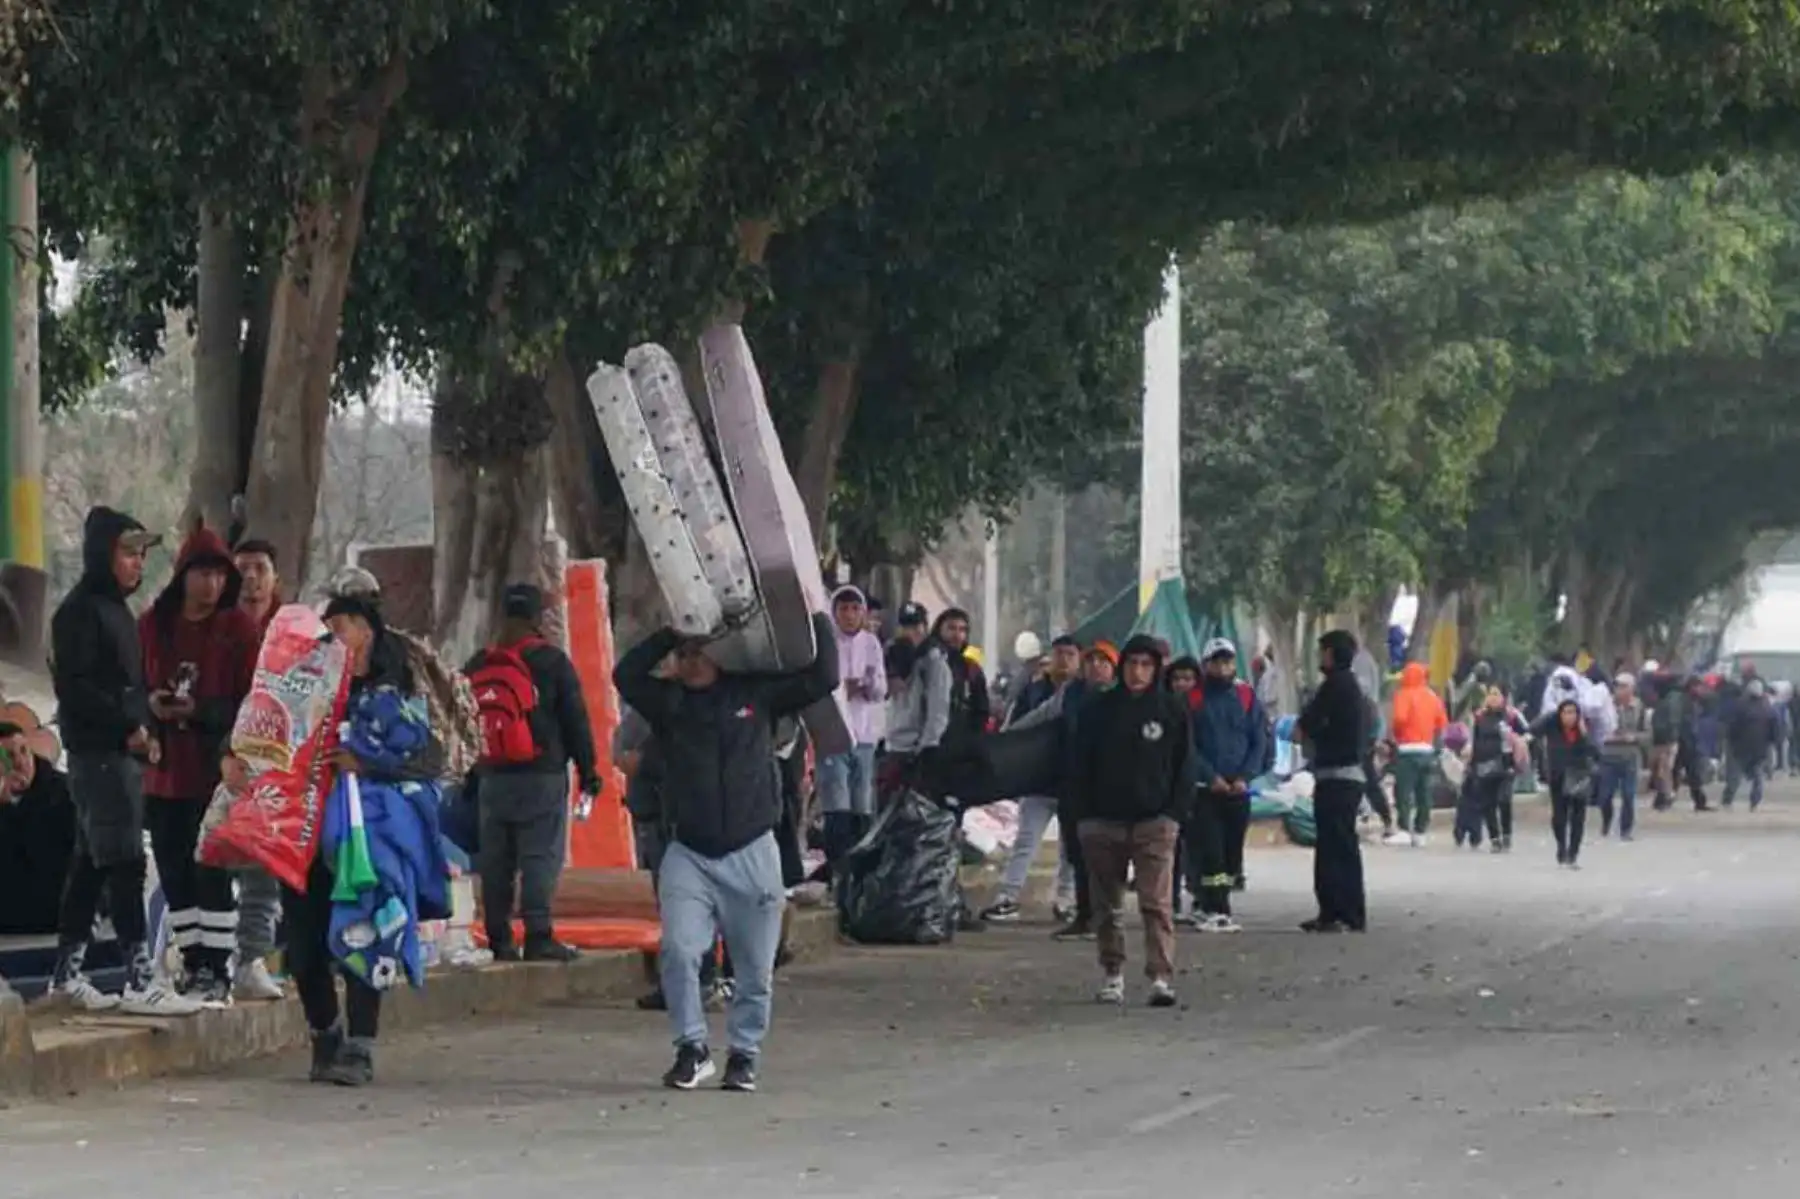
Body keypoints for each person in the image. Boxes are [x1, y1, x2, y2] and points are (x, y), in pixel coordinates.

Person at [226, 574, 450, 1084]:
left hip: (369, 838)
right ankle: (325, 1035)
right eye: (327, 623)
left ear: (366, 629)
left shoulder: (403, 689)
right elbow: (265, 720)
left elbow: (430, 756)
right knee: (304, 947)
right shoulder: (305, 679)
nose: (331, 633)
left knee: (363, 932)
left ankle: (361, 1047)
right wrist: (232, 756)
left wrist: (366, 765)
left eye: (341, 623)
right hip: (305, 831)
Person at [614, 613, 839, 1094]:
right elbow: (625, 675)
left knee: (756, 965)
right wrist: (673, 631)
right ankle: (691, 1049)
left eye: (699, 651)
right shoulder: (668, 704)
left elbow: (824, 677)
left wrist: (813, 611)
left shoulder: (755, 694)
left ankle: (744, 1053)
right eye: (684, 653)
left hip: (752, 848)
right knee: (678, 950)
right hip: (688, 853)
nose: (690, 660)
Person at [49, 508, 204, 1016]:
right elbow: (77, 690)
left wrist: (149, 720)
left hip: (121, 751)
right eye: (128, 552)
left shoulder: (116, 611)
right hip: (98, 754)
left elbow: (123, 686)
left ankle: (66, 977)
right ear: (102, 553)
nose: (138, 563)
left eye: (142, 554)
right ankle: (140, 979)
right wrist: (127, 726)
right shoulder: (78, 613)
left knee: (91, 863)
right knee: (123, 862)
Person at [138, 522, 261, 1006]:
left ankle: (218, 966)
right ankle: (192, 962)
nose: (210, 585)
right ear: (182, 575)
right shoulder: (152, 625)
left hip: (214, 773)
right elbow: (131, 684)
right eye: (201, 573)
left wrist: (205, 713)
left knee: (212, 870)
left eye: (218, 575)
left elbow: (253, 702)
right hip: (163, 771)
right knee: (174, 872)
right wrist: (152, 705)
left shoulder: (238, 630)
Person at [465, 583, 601, 963]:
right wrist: (589, 771)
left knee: (496, 859)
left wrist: (470, 771)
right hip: (541, 774)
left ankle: (498, 937)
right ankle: (539, 935)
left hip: (492, 776)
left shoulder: (480, 663)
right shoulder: (552, 662)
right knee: (540, 855)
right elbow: (576, 721)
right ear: (538, 617)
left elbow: (461, 717)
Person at [1068, 636, 1191, 1006]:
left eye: (1146, 665)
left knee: (1156, 903)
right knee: (1107, 905)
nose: (1138, 672)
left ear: (1156, 669)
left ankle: (1160, 977)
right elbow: (1077, 766)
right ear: (1121, 667)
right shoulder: (1098, 710)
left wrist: (1174, 815)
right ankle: (1112, 973)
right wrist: (1082, 818)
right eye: (1132, 664)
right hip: (1103, 822)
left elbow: (1186, 767)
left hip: (1155, 822)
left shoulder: (1172, 710)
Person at [981, 634, 1083, 923]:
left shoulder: (1085, 693)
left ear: (1079, 658)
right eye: (1059, 653)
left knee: (1071, 846)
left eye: (1070, 654)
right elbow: (1018, 725)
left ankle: (1066, 899)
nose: (1063, 660)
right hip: (1038, 779)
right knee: (1026, 840)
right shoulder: (1034, 689)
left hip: (1072, 780)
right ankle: (1008, 896)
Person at [230, 537, 286, 1000]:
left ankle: (252, 958)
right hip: (220, 761)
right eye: (242, 569)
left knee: (262, 869)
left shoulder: (294, 633)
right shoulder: (215, 631)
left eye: (259, 568)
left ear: (275, 577)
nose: (250, 578)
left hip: (275, 767)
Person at [1187, 640, 1266, 933]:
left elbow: (1259, 740)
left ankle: (1212, 902)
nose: (1222, 667)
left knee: (1232, 854)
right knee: (1211, 851)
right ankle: (1214, 908)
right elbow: (1188, 745)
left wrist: (1245, 776)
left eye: (1227, 662)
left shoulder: (1246, 696)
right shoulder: (1193, 698)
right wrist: (1210, 777)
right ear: (1205, 664)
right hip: (1204, 791)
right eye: (1216, 662)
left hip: (1238, 791)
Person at [1296, 630, 1368, 932]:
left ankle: (1334, 912)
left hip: (1335, 777)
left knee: (1331, 847)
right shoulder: (1353, 688)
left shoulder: (1334, 687)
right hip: (1349, 776)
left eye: (1322, 652)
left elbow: (1305, 726)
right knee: (1345, 846)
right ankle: (1350, 912)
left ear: (1331, 654)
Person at [816, 586, 886, 869]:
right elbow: (821, 684)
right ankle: (838, 869)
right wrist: (843, 687)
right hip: (833, 733)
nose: (849, 615)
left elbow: (881, 689)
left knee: (862, 804)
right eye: (843, 609)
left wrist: (867, 684)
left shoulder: (871, 643)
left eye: (855, 609)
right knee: (837, 803)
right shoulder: (825, 643)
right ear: (834, 613)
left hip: (865, 734)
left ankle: (861, 869)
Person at [0, 722, 77, 935]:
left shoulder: (62, 794)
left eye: (24, 751)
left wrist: (7, 812)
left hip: (56, 903)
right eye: (8, 757)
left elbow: (40, 852)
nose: (19, 763)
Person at [1389, 662, 1448, 847]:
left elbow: (1399, 719)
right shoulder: (1432, 696)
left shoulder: (1404, 695)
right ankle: (1421, 831)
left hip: (1407, 749)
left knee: (1403, 791)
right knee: (1424, 792)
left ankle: (1404, 829)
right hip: (1427, 750)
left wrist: (1397, 735)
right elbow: (1442, 723)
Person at [1464, 687, 1527, 853]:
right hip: (1484, 764)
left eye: (1496, 694)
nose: (1492, 698)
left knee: (1504, 799)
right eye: (1490, 694)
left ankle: (1506, 833)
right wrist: (1471, 764)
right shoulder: (1479, 717)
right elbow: (1474, 740)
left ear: (1504, 698)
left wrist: (1518, 759)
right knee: (1487, 803)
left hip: (1506, 766)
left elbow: (1526, 736)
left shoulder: (1512, 716)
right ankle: (1495, 838)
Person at [1538, 699, 1600, 868]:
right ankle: (1561, 847)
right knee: (1559, 816)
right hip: (1558, 776)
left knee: (1578, 817)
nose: (1569, 716)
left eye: (1573, 712)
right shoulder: (1552, 727)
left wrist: (1584, 734)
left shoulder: (1582, 731)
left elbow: (1594, 752)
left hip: (1578, 776)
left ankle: (1573, 853)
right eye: (1566, 712)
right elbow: (1534, 729)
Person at [1597, 673, 1648, 840]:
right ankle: (1606, 820)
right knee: (1605, 795)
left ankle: (1626, 829)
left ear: (1631, 689)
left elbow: (1647, 734)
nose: (1620, 690)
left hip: (1630, 755)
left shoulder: (1639, 707)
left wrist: (1634, 738)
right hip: (1608, 755)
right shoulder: (1606, 705)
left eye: (1624, 686)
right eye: (1618, 686)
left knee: (1628, 794)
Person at [1723, 678, 1780, 811]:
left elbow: (1732, 726)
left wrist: (1731, 740)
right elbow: (1775, 727)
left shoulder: (1739, 706)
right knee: (1758, 776)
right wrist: (1773, 742)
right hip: (1760, 748)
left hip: (1740, 747)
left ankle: (1727, 799)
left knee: (1735, 775)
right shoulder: (1768, 707)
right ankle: (1754, 802)